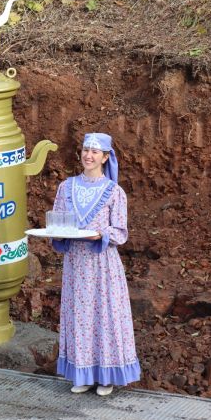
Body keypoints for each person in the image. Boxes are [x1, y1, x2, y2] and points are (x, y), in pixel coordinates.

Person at [51, 132, 140, 396]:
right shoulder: (65, 187)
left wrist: (101, 235)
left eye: (95, 151)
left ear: (105, 157)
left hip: (102, 265)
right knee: (78, 315)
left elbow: (120, 232)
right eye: (85, 150)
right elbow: (57, 222)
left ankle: (106, 375)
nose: (88, 155)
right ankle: (82, 372)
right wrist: (57, 232)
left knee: (105, 315)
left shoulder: (114, 192)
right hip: (76, 264)